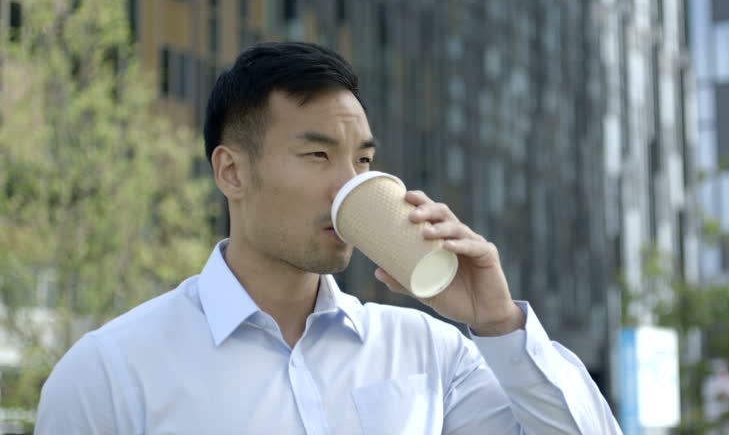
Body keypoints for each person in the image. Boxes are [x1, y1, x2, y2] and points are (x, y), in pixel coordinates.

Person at [35, 42, 622, 434]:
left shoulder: (427, 349)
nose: (350, 185)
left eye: (363, 159)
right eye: (318, 154)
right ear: (231, 172)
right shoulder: (111, 372)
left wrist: (498, 325)